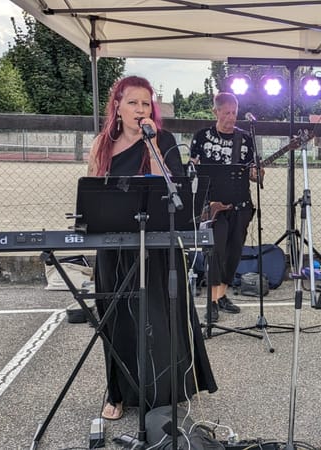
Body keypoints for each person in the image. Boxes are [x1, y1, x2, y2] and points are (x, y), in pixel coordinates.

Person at [88, 75, 217, 420]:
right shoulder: (102, 144)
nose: (140, 109)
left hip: (157, 247)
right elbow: (92, 192)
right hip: (114, 249)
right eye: (133, 102)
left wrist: (151, 145)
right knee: (116, 321)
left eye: (146, 103)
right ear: (117, 106)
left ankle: (163, 392)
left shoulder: (164, 140)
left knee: (158, 319)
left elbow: (173, 190)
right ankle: (118, 394)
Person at [189, 92, 260, 321]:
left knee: (233, 251)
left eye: (234, 112)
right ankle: (211, 300)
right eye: (227, 112)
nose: (231, 117)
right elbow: (192, 172)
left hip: (241, 203)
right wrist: (203, 202)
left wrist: (256, 174)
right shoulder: (201, 137)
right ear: (216, 112)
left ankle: (222, 295)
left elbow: (252, 173)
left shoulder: (246, 139)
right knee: (215, 251)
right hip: (213, 206)